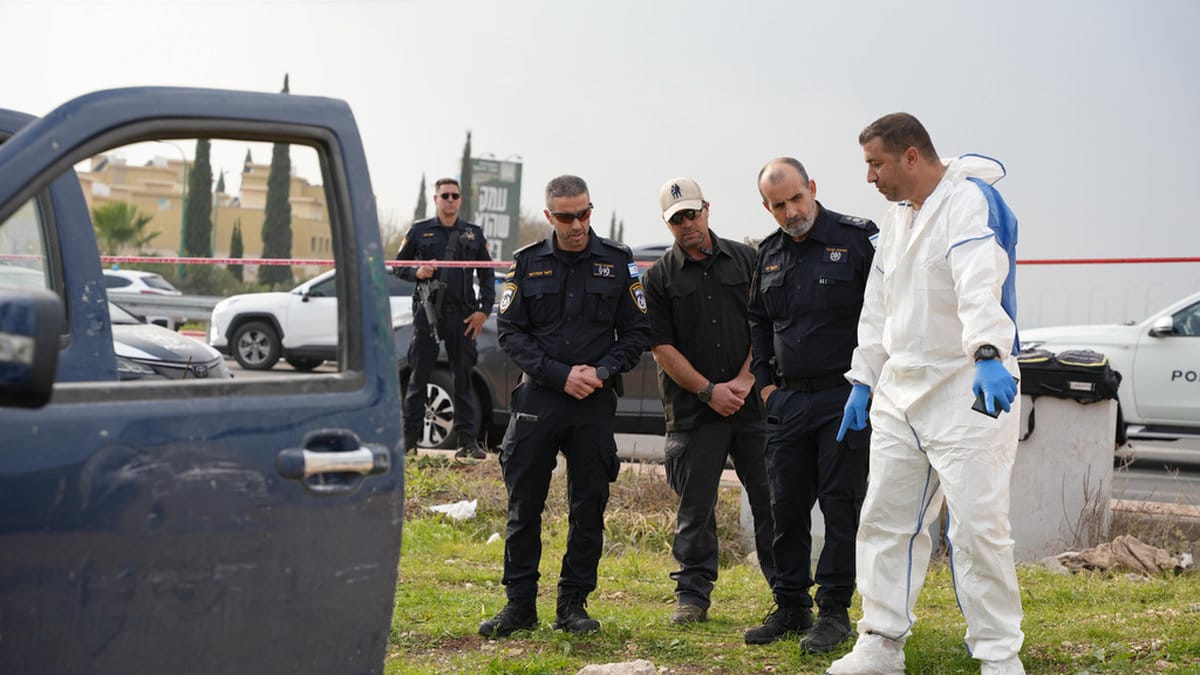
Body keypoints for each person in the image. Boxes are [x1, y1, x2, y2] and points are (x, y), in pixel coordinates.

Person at [828, 113, 1023, 675]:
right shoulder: (898, 216)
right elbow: (878, 303)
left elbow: (979, 277)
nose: (869, 177)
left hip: (966, 386)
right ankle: (881, 642)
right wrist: (864, 379)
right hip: (900, 389)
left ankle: (998, 653)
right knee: (886, 518)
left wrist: (987, 353)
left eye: (876, 164)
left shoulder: (968, 201)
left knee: (978, 527)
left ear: (911, 155)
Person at [479, 174, 649, 638]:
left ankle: (573, 605)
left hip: (593, 399)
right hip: (539, 397)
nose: (577, 225)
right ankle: (519, 605)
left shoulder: (617, 261)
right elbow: (510, 332)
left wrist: (601, 371)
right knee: (524, 504)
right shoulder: (527, 263)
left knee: (588, 505)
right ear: (549, 215)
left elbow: (637, 332)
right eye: (567, 217)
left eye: (584, 214)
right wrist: (559, 374)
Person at [745, 157, 876, 652]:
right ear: (767, 207)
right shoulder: (769, 253)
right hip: (788, 400)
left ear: (812, 188)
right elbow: (758, 321)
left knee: (840, 505)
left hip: (844, 397)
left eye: (796, 199)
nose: (791, 212)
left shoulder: (856, 240)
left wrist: (869, 384)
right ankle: (790, 606)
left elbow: (883, 314)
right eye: (778, 205)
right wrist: (764, 386)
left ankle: (835, 612)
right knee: (785, 506)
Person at [642, 177, 777, 627]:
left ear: (707, 209)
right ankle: (692, 596)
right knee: (695, 509)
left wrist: (744, 380)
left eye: (692, 214)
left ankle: (788, 595)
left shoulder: (747, 259)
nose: (687, 224)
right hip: (693, 412)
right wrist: (708, 391)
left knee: (771, 501)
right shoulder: (658, 278)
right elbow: (661, 347)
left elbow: (766, 323)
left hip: (751, 406)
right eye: (676, 219)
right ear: (667, 224)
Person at [395, 178, 495, 462]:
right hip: (427, 313)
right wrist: (416, 272)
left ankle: (467, 442)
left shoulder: (473, 234)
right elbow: (399, 266)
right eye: (445, 196)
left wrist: (484, 310)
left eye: (454, 196)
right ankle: (408, 443)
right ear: (435, 199)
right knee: (418, 378)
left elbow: (487, 274)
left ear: (460, 199)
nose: (450, 200)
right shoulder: (419, 231)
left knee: (463, 379)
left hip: (463, 316)